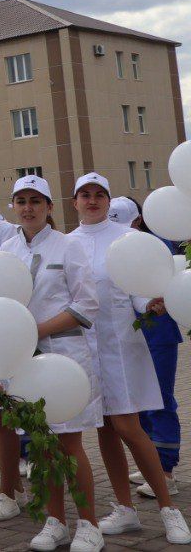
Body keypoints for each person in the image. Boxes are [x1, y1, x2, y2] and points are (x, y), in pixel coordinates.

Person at [67, 173, 191, 543]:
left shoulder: (130, 239)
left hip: (121, 346)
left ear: (108, 200)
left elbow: (139, 289)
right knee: (104, 429)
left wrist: (152, 304)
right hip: (83, 348)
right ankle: (125, 508)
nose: (92, 201)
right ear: (74, 202)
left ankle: (169, 509)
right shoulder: (66, 244)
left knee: (129, 427)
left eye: (99, 194)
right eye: (84, 195)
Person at [0, 174, 103, 550]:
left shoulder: (68, 246)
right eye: (21, 201)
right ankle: (55, 521)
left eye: (35, 201)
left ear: (49, 207)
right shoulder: (6, 249)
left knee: (69, 444)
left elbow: (87, 304)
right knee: (40, 446)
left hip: (62, 358)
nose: (28, 208)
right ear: (13, 206)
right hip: (23, 363)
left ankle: (89, 524)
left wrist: (36, 330)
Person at [112, 197, 184, 497]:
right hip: (134, 336)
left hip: (159, 333)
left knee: (160, 400)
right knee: (140, 401)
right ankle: (150, 463)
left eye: (123, 225)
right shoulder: (117, 246)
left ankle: (166, 471)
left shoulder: (155, 245)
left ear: (138, 221)